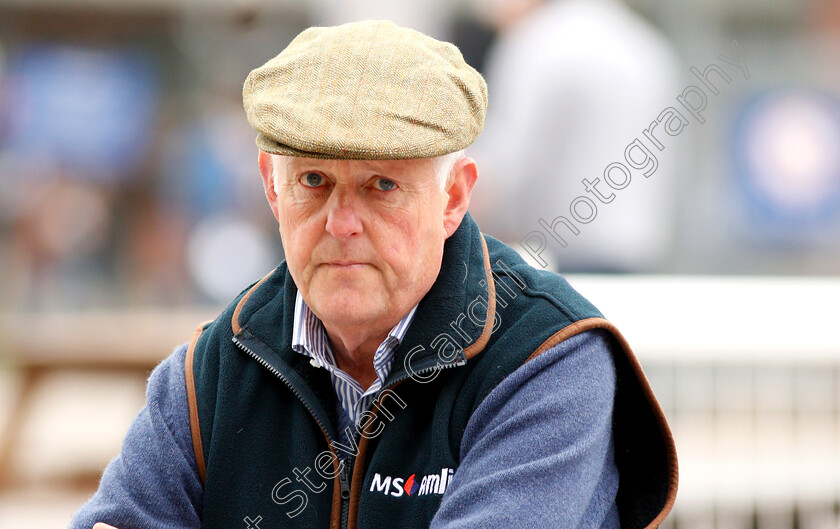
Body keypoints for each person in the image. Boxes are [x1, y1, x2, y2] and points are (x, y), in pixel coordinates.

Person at [71, 20, 677, 529]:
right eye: (313, 180)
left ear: (453, 199)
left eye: (382, 185)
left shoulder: (545, 359)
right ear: (270, 188)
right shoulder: (213, 369)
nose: (341, 223)